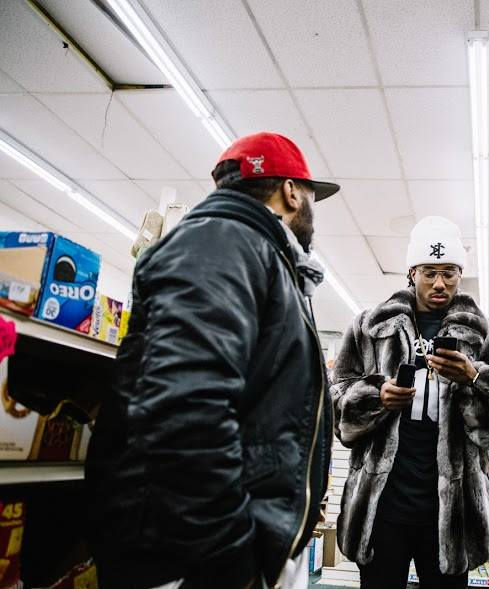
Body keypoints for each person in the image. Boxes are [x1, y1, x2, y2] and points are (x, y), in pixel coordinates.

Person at [85, 132, 339, 589]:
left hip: (212, 548)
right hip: (192, 560)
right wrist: (231, 559)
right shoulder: (222, 245)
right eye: (311, 196)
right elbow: (184, 407)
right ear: (290, 192)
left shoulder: (252, 253)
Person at [331, 216, 489, 589]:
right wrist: (376, 397)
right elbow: (336, 403)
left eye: (449, 272)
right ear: (412, 272)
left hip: (454, 513)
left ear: (460, 274)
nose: (439, 283)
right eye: (429, 272)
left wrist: (474, 377)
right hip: (382, 506)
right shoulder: (369, 328)